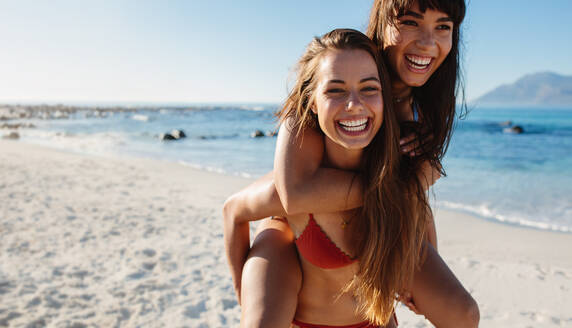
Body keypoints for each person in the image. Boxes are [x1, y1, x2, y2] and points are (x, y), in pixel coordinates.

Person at [224, 0, 479, 327]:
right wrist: (243, 296)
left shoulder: (424, 109)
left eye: (443, 26)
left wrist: (422, 260)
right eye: (411, 22)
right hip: (300, 233)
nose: (428, 42)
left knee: (464, 313)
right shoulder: (335, 83)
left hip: (375, 250)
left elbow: (416, 197)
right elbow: (291, 195)